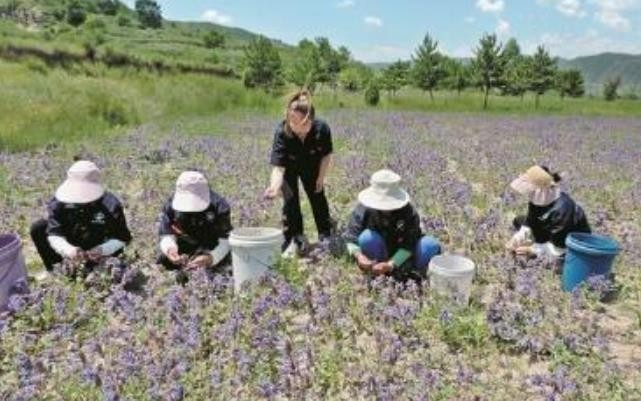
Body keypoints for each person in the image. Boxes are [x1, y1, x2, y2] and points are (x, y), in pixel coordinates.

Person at [264, 90, 334, 257]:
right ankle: (295, 238)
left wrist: (321, 177)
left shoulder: (322, 128)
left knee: (318, 197)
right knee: (290, 202)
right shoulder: (282, 132)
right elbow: (278, 167)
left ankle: (325, 235)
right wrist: (274, 187)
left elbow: (326, 155)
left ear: (311, 119)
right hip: (288, 169)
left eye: (303, 123)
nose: (297, 127)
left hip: (312, 165)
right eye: (293, 122)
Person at [30, 160, 132, 272]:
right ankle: (56, 270)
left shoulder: (111, 205)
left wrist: (102, 250)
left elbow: (122, 238)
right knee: (38, 228)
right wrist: (69, 250)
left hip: (100, 248)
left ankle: (100, 269)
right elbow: (54, 234)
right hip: (71, 246)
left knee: (112, 264)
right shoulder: (59, 203)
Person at [344, 169, 442, 281]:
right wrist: (359, 256)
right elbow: (350, 238)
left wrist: (391, 264)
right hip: (377, 251)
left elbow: (410, 242)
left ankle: (413, 274)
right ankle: (377, 273)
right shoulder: (363, 209)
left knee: (429, 244)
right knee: (367, 237)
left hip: (403, 252)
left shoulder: (408, 212)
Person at [506, 165, 591, 259]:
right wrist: (517, 238)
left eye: (532, 192)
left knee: (557, 254)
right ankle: (539, 245)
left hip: (571, 243)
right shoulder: (539, 200)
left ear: (543, 189)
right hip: (551, 229)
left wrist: (533, 250)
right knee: (519, 220)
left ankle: (541, 251)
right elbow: (530, 221)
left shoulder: (563, 209)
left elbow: (558, 248)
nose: (529, 195)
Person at [157, 171, 232, 277]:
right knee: (164, 259)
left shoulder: (220, 207)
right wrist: (170, 249)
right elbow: (166, 233)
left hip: (211, 244)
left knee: (225, 263)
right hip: (185, 242)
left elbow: (225, 240)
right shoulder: (170, 205)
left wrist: (211, 258)